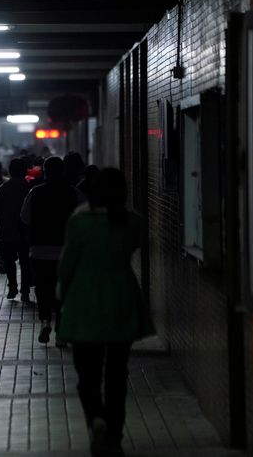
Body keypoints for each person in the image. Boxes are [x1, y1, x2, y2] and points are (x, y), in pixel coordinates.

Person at [57, 168, 153, 457]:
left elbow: (67, 264)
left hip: (84, 302)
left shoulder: (80, 221)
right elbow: (132, 246)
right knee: (116, 373)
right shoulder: (133, 221)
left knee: (87, 373)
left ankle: (96, 420)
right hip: (121, 300)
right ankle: (114, 431)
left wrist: (61, 296)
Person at [20, 156, 87, 346]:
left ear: (45, 172)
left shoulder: (35, 192)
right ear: (63, 171)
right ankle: (61, 332)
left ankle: (45, 321)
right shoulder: (74, 193)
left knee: (43, 289)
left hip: (40, 250)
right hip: (66, 251)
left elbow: (24, 218)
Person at [0, 158, 33, 302]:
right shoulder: (29, 187)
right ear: (24, 171)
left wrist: (5, 216)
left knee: (9, 261)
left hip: (7, 230)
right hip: (25, 231)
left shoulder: (5, 187)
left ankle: (12, 286)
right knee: (25, 261)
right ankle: (25, 291)